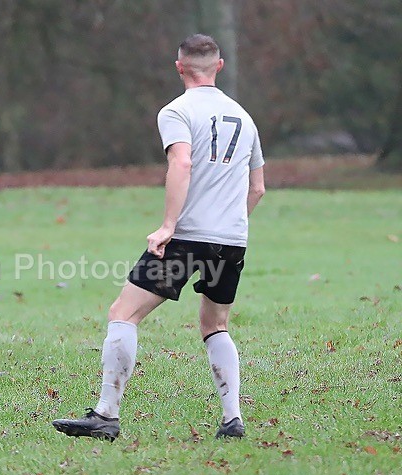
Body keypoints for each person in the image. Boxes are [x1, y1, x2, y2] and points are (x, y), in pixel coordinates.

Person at [52, 34, 266, 441]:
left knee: (123, 313)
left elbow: (181, 163)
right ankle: (232, 419)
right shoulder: (245, 118)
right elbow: (257, 189)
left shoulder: (177, 111)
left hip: (186, 237)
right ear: (219, 67)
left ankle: (106, 415)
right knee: (215, 324)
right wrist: (229, 225)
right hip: (232, 239)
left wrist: (169, 225)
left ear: (179, 67)